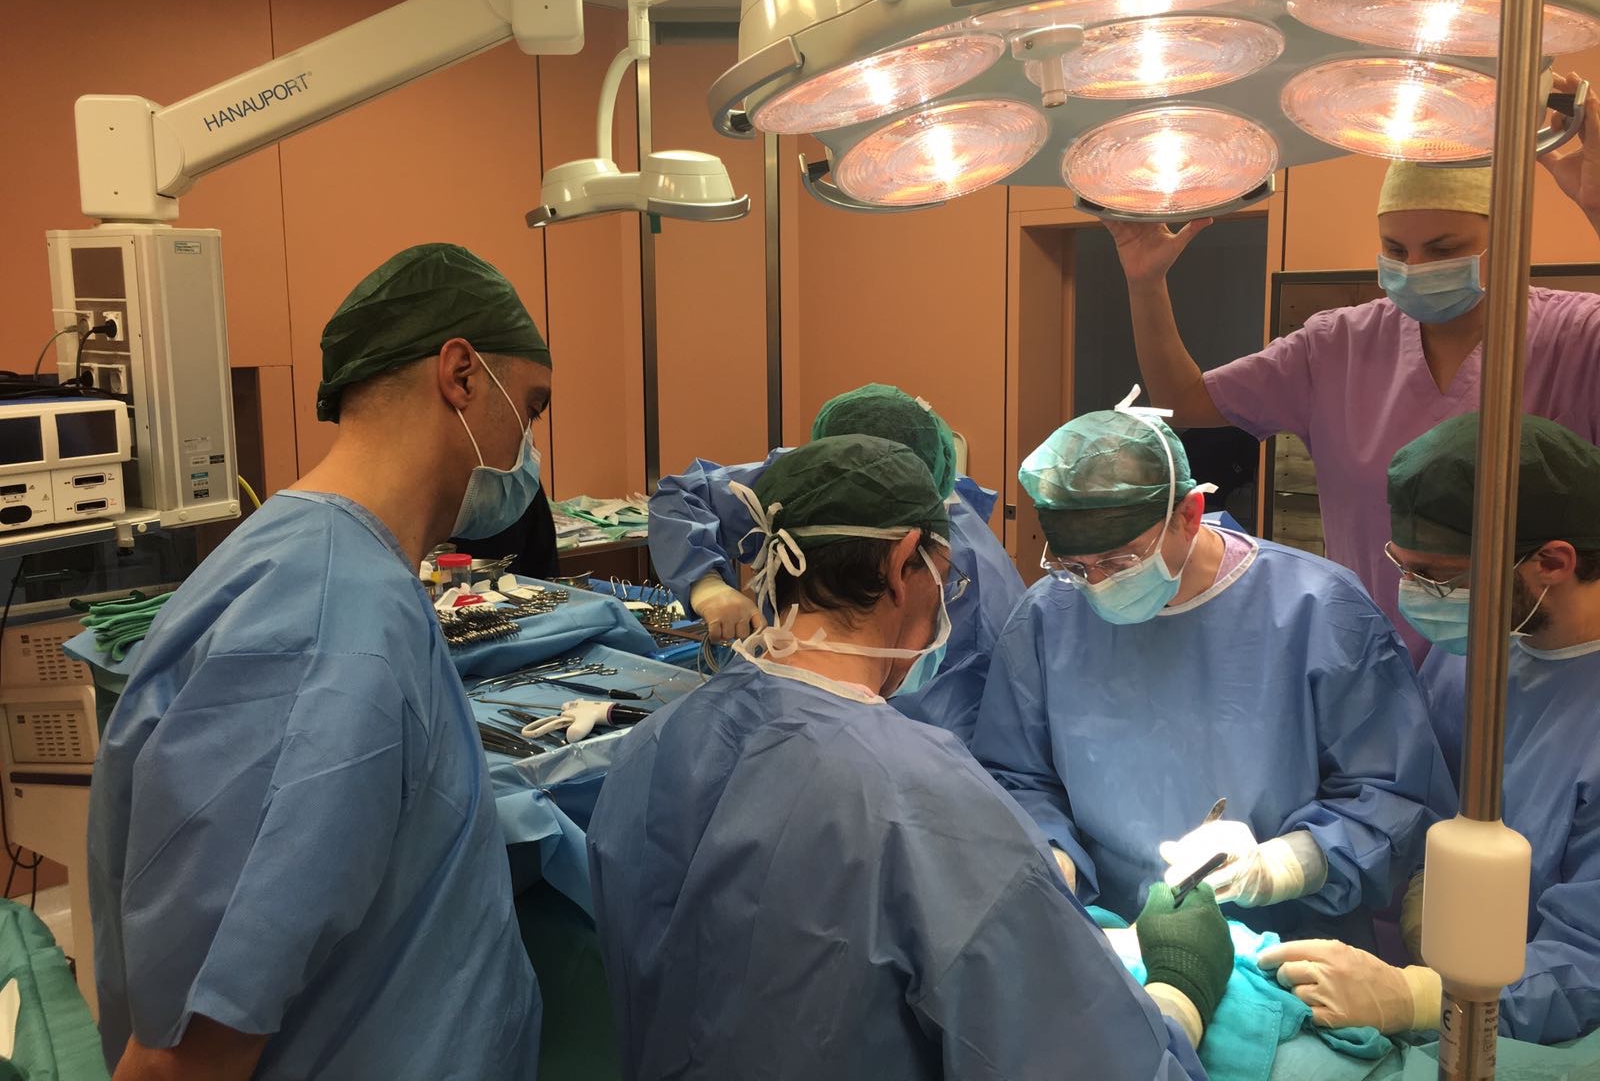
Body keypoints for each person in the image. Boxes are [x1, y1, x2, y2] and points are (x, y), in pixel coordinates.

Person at [589, 433, 1232, 1080]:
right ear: (903, 565)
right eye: (946, 579)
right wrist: (1178, 995)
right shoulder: (927, 804)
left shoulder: (650, 747)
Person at [88, 243, 546, 1079]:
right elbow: (183, 1057)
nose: (527, 446)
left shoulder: (315, 565)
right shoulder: (330, 624)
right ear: (461, 376)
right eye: (531, 407)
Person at [1105, 88, 1600, 663]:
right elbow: (1183, 400)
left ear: (1507, 235)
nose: (1415, 267)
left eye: (1444, 249)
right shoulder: (1337, 344)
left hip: (1537, 662)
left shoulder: (1577, 336)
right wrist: (1145, 284)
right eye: (1396, 249)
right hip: (1371, 657)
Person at [972, 394, 1453, 947]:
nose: (1097, 583)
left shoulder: (1319, 610)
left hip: (1286, 944)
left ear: (1189, 515)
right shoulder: (1048, 615)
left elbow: (1389, 795)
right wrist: (1052, 856)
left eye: (1120, 561)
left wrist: (1281, 866)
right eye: (1075, 567)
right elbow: (1017, 777)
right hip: (1110, 937)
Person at [1262, 413, 1600, 1045]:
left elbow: (1590, 960)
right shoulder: (1479, 643)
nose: (1414, 593)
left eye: (1440, 577)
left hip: (1546, 1029)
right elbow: (1412, 793)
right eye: (1405, 567)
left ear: (1553, 561)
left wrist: (1421, 998)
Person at [648, 382, 1024, 742]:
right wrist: (706, 584)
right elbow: (686, 497)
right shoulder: (813, 485)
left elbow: (971, 723)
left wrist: (883, 749)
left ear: (903, 560)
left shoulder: (966, 574)